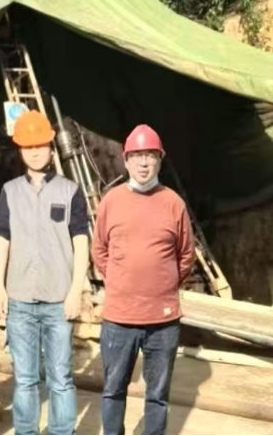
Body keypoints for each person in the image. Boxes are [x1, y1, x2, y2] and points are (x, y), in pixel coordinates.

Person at [92, 124, 195, 435]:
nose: (143, 162)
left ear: (159, 160)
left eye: (150, 155)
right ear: (126, 160)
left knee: (158, 395)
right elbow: (99, 250)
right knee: (113, 390)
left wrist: (161, 286)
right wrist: (122, 282)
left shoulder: (173, 203)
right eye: (136, 155)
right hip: (119, 319)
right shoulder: (111, 201)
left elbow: (185, 255)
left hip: (162, 322)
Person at [0, 110, 90, 435]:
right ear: (20, 149)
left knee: (60, 378)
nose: (34, 152)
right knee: (25, 379)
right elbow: (1, 240)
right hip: (19, 300)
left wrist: (76, 290)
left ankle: (62, 431)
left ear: (50, 146)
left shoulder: (70, 191)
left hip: (58, 300)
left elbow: (81, 243)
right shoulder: (9, 192)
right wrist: (0, 288)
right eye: (28, 145)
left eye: (40, 145)